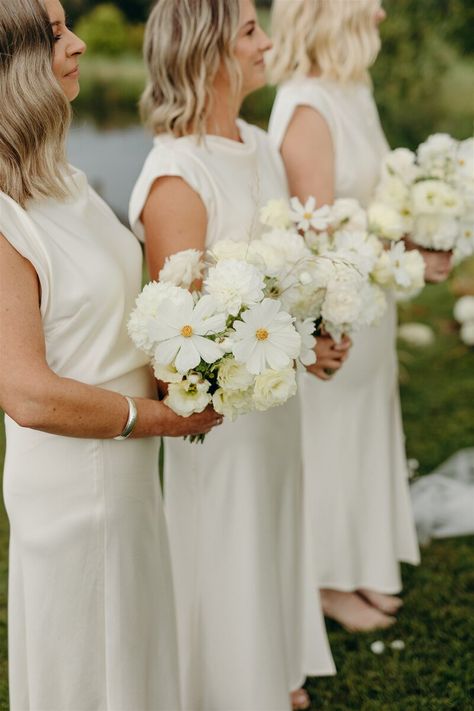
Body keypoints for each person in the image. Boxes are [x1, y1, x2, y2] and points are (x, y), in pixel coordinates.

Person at [0, 1, 223, 709]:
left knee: (133, 661)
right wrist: (161, 419)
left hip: (127, 482)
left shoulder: (62, 180)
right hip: (76, 497)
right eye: (55, 32)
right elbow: (26, 392)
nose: (80, 42)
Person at [130, 1, 335, 709]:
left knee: (273, 523)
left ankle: (270, 662)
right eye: (250, 30)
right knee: (228, 542)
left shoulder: (258, 142)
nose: (268, 41)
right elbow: (173, 353)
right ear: (209, 50)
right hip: (218, 424)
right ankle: (226, 685)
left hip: (274, 407)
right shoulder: (177, 176)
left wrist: (309, 341)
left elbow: (279, 285)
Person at [268, 0, 450, 633]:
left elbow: (373, 204)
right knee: (330, 442)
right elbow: (318, 239)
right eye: (368, 2)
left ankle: (357, 562)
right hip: (336, 313)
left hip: (372, 303)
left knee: (364, 433)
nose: (379, 14)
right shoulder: (307, 108)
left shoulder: (352, 91)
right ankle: (324, 582)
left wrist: (425, 232)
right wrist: (403, 257)